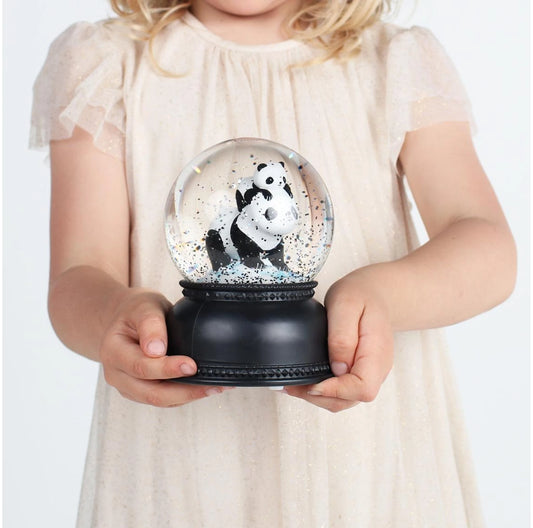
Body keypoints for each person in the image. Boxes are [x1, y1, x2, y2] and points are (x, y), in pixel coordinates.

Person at [30, 0, 516, 526]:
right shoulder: (108, 66)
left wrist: (383, 294)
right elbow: (78, 273)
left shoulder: (393, 62)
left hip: (365, 460)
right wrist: (115, 316)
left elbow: (487, 244)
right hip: (182, 466)